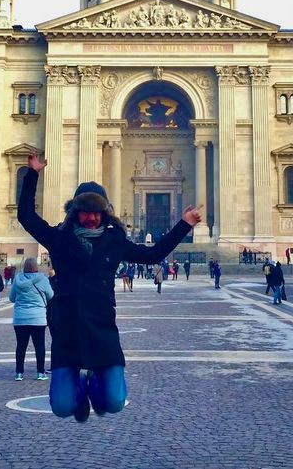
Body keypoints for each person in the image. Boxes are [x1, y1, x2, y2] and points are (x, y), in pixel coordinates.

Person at [17, 152, 201, 422]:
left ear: (104, 213)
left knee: (114, 402)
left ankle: (92, 384)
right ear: (74, 212)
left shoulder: (114, 242)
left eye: (96, 212)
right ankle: (79, 391)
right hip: (68, 330)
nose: (91, 218)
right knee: (61, 407)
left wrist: (184, 225)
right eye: (85, 212)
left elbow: (152, 255)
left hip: (102, 330)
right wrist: (33, 173)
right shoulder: (58, 238)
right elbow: (26, 216)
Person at [10, 257, 55, 381]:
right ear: (36, 266)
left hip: (20, 317)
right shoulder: (43, 279)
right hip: (38, 318)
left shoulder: (17, 279)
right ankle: (40, 372)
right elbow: (51, 295)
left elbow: (12, 298)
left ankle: (19, 373)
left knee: (21, 346)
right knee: (39, 346)